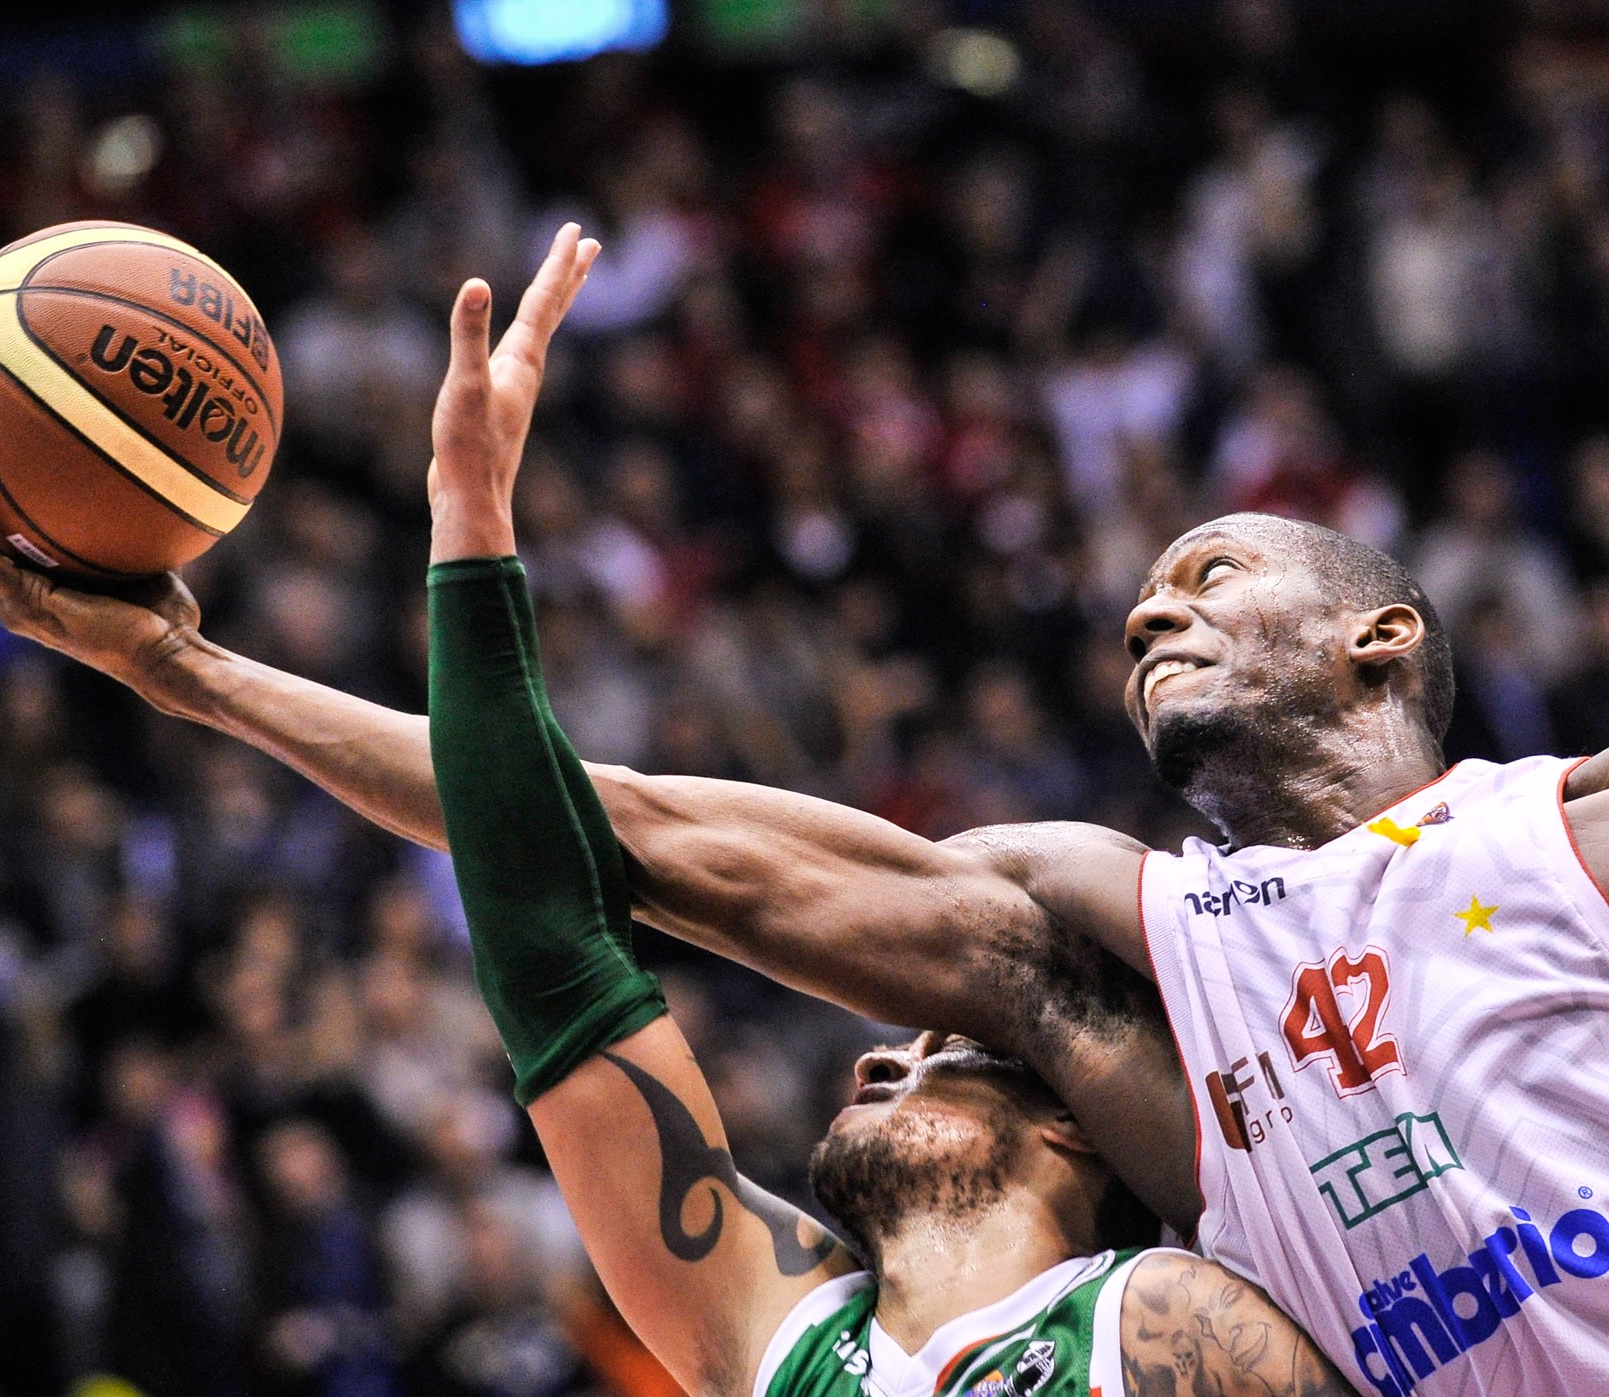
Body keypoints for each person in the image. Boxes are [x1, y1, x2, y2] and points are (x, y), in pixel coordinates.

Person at [0, 224, 1609, 1393]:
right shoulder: (1109, 970)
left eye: (1215, 567)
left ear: (1382, 637)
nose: (1155, 597)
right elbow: (594, 834)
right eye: (1146, 587)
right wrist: (180, 670)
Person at [411, 224, 1349, 1397]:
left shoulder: (1151, 1317)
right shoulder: (787, 1343)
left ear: (1076, 1125)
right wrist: (469, 523)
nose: (872, 1055)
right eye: (920, 1048)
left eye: (937, 1050)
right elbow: (549, 954)